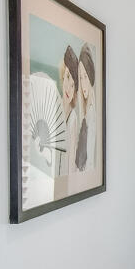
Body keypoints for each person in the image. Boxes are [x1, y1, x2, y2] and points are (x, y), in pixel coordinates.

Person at [58, 45, 80, 175]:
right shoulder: (53, 108)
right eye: (67, 77)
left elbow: (72, 161)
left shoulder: (73, 118)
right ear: (62, 76)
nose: (68, 88)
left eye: (73, 85)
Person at [76, 42, 97, 171]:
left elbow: (89, 161)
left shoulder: (91, 113)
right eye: (80, 77)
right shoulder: (85, 111)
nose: (83, 83)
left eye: (85, 76)